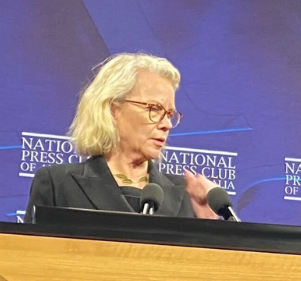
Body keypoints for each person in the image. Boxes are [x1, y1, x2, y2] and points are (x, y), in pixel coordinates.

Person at [27, 52, 220, 220]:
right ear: (113, 109)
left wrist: (210, 229)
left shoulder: (187, 195)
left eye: (169, 114)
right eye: (154, 109)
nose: (167, 124)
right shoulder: (58, 184)